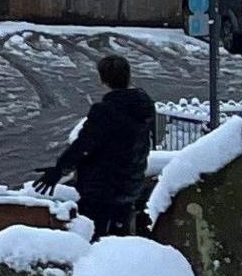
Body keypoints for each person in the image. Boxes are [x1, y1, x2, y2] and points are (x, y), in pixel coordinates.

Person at [44, 53, 159, 238]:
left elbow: (84, 145)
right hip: (131, 185)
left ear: (103, 80)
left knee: (93, 238)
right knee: (118, 239)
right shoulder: (144, 106)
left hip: (101, 189)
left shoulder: (105, 111)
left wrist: (59, 168)